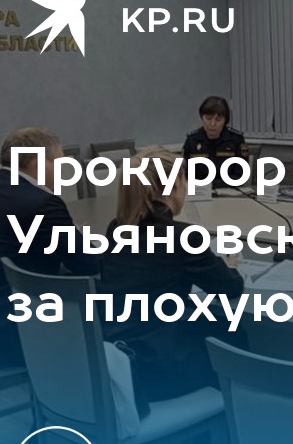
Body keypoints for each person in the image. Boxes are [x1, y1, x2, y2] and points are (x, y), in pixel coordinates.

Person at [98, 147, 245, 414]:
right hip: (161, 368)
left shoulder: (116, 228)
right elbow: (229, 287)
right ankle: (238, 416)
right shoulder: (183, 236)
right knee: (232, 332)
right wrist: (230, 265)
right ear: (175, 184)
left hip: (121, 362)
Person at [0, 127, 98, 370]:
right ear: (39, 163)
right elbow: (88, 263)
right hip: (14, 333)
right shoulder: (43, 203)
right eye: (59, 162)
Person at [182, 95, 247, 170]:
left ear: (225, 121)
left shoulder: (236, 139)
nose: (212, 124)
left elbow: (240, 172)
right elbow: (185, 171)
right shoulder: (192, 140)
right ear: (202, 118)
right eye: (208, 119)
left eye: (218, 120)